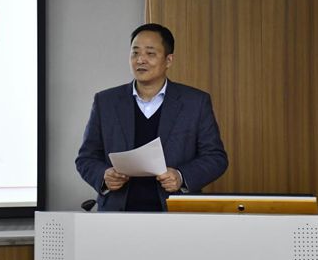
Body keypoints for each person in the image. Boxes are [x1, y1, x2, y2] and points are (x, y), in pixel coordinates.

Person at [75, 23, 228, 211]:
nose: (140, 60)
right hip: (117, 214)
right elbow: (86, 158)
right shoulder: (105, 102)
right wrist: (104, 176)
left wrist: (181, 176)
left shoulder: (195, 102)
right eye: (135, 53)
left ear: (168, 60)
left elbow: (215, 158)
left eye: (150, 53)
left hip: (176, 214)